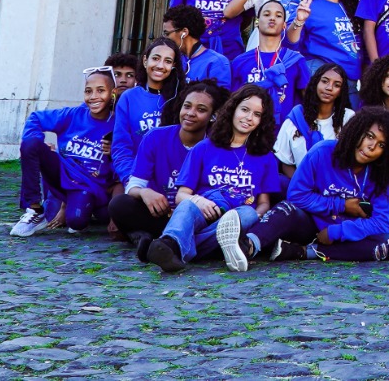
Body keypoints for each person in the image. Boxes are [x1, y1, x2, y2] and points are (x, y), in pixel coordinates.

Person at [239, 108, 389, 264]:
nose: (371, 147)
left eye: (381, 145)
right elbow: (297, 195)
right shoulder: (323, 152)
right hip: (311, 224)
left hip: (348, 235)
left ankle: (303, 252)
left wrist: (335, 232)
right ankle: (248, 245)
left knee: (383, 244)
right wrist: (342, 205)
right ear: (357, 130)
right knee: (287, 208)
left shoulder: (384, 174)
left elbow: (382, 222)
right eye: (369, 136)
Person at [147, 84, 281, 273]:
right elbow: (181, 195)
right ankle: (171, 243)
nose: (249, 118)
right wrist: (199, 202)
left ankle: (173, 249)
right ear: (233, 110)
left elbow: (264, 203)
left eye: (257, 114)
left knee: (248, 214)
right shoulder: (204, 148)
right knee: (187, 205)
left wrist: (256, 216)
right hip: (205, 209)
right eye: (244, 110)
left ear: (262, 121)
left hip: (236, 217)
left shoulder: (265, 157)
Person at [107, 80, 223, 259]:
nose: (190, 113)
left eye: (201, 110)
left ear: (213, 116)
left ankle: (154, 241)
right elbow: (134, 185)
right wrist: (145, 193)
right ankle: (161, 241)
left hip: (194, 218)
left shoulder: (216, 148)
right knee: (120, 204)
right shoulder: (156, 137)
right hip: (159, 213)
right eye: (187, 106)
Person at [9, 68, 118, 236]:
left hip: (89, 186)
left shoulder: (118, 124)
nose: (93, 97)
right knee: (31, 144)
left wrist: (113, 151)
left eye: (100, 90)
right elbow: (35, 118)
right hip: (61, 174)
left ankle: (82, 208)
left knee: (77, 221)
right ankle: (35, 209)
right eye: (88, 91)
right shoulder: (73, 115)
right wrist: (40, 141)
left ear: (112, 93)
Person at [110, 38, 184, 189]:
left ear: (174, 66)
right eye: (156, 58)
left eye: (168, 61)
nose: (160, 65)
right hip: (139, 179)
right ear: (145, 61)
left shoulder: (183, 98)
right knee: (118, 206)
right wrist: (133, 183)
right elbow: (121, 147)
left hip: (176, 182)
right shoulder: (129, 98)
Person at [231, 0, 311, 119]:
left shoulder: (296, 60)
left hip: (284, 132)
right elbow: (233, 102)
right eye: (267, 14)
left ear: (284, 25)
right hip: (249, 129)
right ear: (257, 22)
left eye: (278, 16)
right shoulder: (240, 61)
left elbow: (309, 99)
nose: (272, 18)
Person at [274, 62, 354, 176]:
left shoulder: (348, 118)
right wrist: (303, 184)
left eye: (336, 85)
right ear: (315, 83)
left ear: (341, 91)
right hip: (302, 186)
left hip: (337, 185)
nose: (329, 88)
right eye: (325, 81)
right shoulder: (295, 118)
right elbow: (286, 163)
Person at [292, 0, 363, 78]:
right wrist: (298, 21)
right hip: (320, 75)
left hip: (350, 78)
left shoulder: (352, 6)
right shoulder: (308, 6)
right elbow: (290, 43)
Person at [165, 4, 231, 88]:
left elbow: (220, 97)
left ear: (184, 32)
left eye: (167, 33)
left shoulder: (216, 62)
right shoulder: (173, 58)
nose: (165, 38)